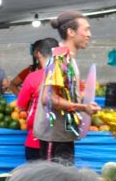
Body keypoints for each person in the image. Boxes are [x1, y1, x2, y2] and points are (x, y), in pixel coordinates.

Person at [34, 10, 100, 165]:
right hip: (54, 137)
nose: (89, 34)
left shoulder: (68, 59)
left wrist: (82, 99)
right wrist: (83, 107)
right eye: (86, 29)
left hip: (63, 135)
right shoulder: (60, 59)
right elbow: (48, 98)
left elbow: (60, 94)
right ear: (71, 32)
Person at [16, 38, 57, 161]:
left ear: (39, 54)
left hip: (36, 139)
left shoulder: (33, 77)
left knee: (36, 178)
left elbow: (21, 106)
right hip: (61, 139)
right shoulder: (68, 76)